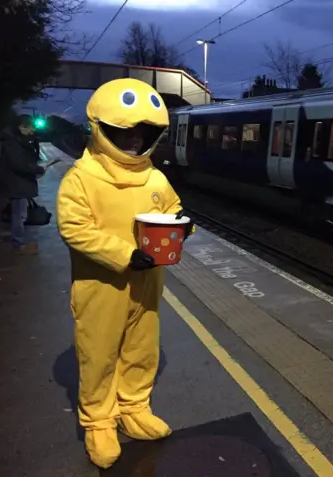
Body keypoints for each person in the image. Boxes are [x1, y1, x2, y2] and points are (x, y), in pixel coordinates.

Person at [56, 78, 194, 469]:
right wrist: (125, 254)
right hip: (100, 288)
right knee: (98, 355)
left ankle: (134, 406)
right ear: (101, 130)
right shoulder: (82, 179)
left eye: (144, 133)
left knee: (141, 348)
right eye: (125, 132)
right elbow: (75, 228)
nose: (134, 141)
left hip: (148, 284)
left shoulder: (155, 178)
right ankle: (99, 421)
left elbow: (172, 210)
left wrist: (183, 226)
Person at [0, 114, 45, 254]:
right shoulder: (12, 142)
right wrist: (37, 169)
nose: (32, 132)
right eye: (30, 128)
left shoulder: (15, 139)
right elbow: (18, 164)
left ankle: (18, 241)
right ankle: (18, 244)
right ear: (21, 127)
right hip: (17, 183)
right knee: (19, 215)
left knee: (19, 213)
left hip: (19, 182)